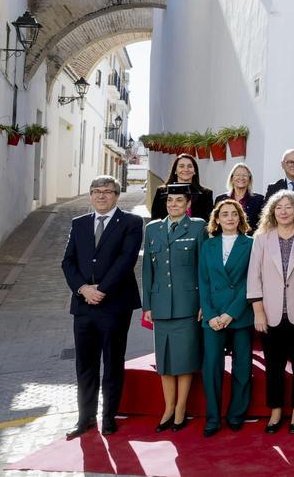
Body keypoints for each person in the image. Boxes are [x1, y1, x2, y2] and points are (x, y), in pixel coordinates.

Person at [62, 176, 142, 439]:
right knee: (85, 365)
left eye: (107, 191)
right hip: (83, 305)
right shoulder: (79, 223)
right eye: (96, 191)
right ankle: (85, 418)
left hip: (115, 304)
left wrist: (101, 290)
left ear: (117, 195)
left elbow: (126, 260)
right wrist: (83, 289)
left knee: (112, 362)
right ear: (90, 195)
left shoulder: (131, 222)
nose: (101, 196)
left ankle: (109, 417)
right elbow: (68, 262)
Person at [142, 183, 207, 432]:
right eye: (170, 201)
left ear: (188, 204)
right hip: (161, 305)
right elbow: (147, 270)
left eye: (179, 200)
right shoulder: (152, 229)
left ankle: (181, 408)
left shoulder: (198, 227)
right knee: (164, 361)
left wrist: (203, 303)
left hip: (188, 305)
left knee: (184, 359)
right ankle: (168, 408)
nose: (173, 205)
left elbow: (203, 268)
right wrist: (147, 305)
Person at [247, 190, 294, 435]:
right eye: (278, 207)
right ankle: (275, 411)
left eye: (288, 207)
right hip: (270, 313)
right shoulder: (262, 238)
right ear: (272, 212)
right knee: (274, 366)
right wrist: (258, 312)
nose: (283, 211)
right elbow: (254, 277)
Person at [198, 200, 254, 437]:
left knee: (242, 366)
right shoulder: (208, 245)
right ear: (217, 219)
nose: (230, 218)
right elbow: (203, 281)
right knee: (211, 367)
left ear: (240, 218)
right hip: (213, 315)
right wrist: (210, 314)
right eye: (224, 214)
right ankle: (213, 418)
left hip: (239, 313)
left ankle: (236, 414)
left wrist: (230, 313)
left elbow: (251, 282)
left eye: (234, 214)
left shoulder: (250, 244)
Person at [151, 154, 215, 222]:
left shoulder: (206, 194)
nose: (186, 169)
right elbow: (156, 220)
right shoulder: (162, 191)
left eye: (190, 166)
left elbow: (209, 222)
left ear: (195, 171)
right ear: (175, 170)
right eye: (181, 166)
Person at [214, 163, 266, 231]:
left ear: (249, 179)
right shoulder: (220, 199)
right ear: (232, 179)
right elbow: (215, 223)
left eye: (245, 175)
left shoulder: (259, 200)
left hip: (250, 236)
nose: (241, 178)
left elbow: (261, 225)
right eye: (237, 175)